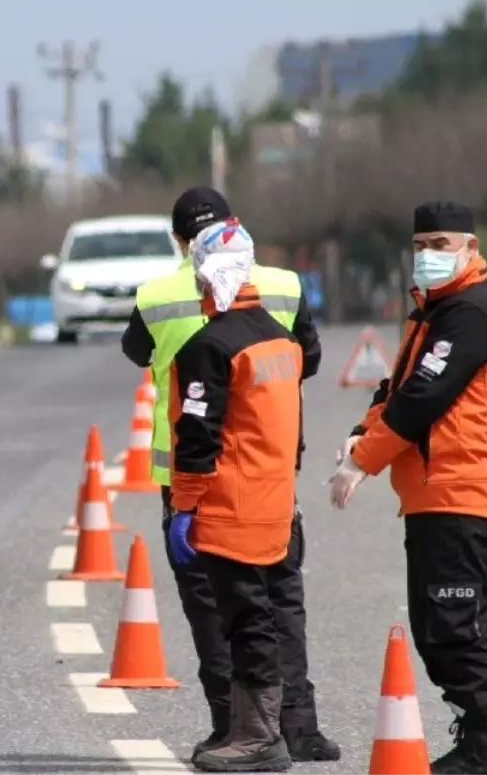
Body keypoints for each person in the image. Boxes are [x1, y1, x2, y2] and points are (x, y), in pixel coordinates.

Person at [121, 187, 340, 763]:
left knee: (221, 606)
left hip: (197, 478)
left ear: (180, 243)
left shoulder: (158, 295)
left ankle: (236, 728)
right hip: (273, 469)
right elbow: (307, 361)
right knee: (281, 598)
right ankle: (299, 726)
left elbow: (136, 353)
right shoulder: (286, 288)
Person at [329, 200, 487, 775]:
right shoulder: (431, 313)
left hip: (463, 493)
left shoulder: (471, 312)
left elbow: (424, 399)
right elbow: (396, 389)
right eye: (420, 246)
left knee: (455, 630)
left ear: (471, 249)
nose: (429, 256)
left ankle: (486, 750)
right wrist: (361, 433)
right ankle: (476, 741)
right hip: (434, 498)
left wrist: (362, 462)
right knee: (435, 631)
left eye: (441, 244)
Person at [167, 218, 302, 772]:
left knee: (244, 620)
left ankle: (258, 736)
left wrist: (184, 507)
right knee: (266, 614)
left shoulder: (210, 346)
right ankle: (259, 729)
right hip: (274, 503)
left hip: (230, 507)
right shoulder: (280, 337)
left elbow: (198, 434)